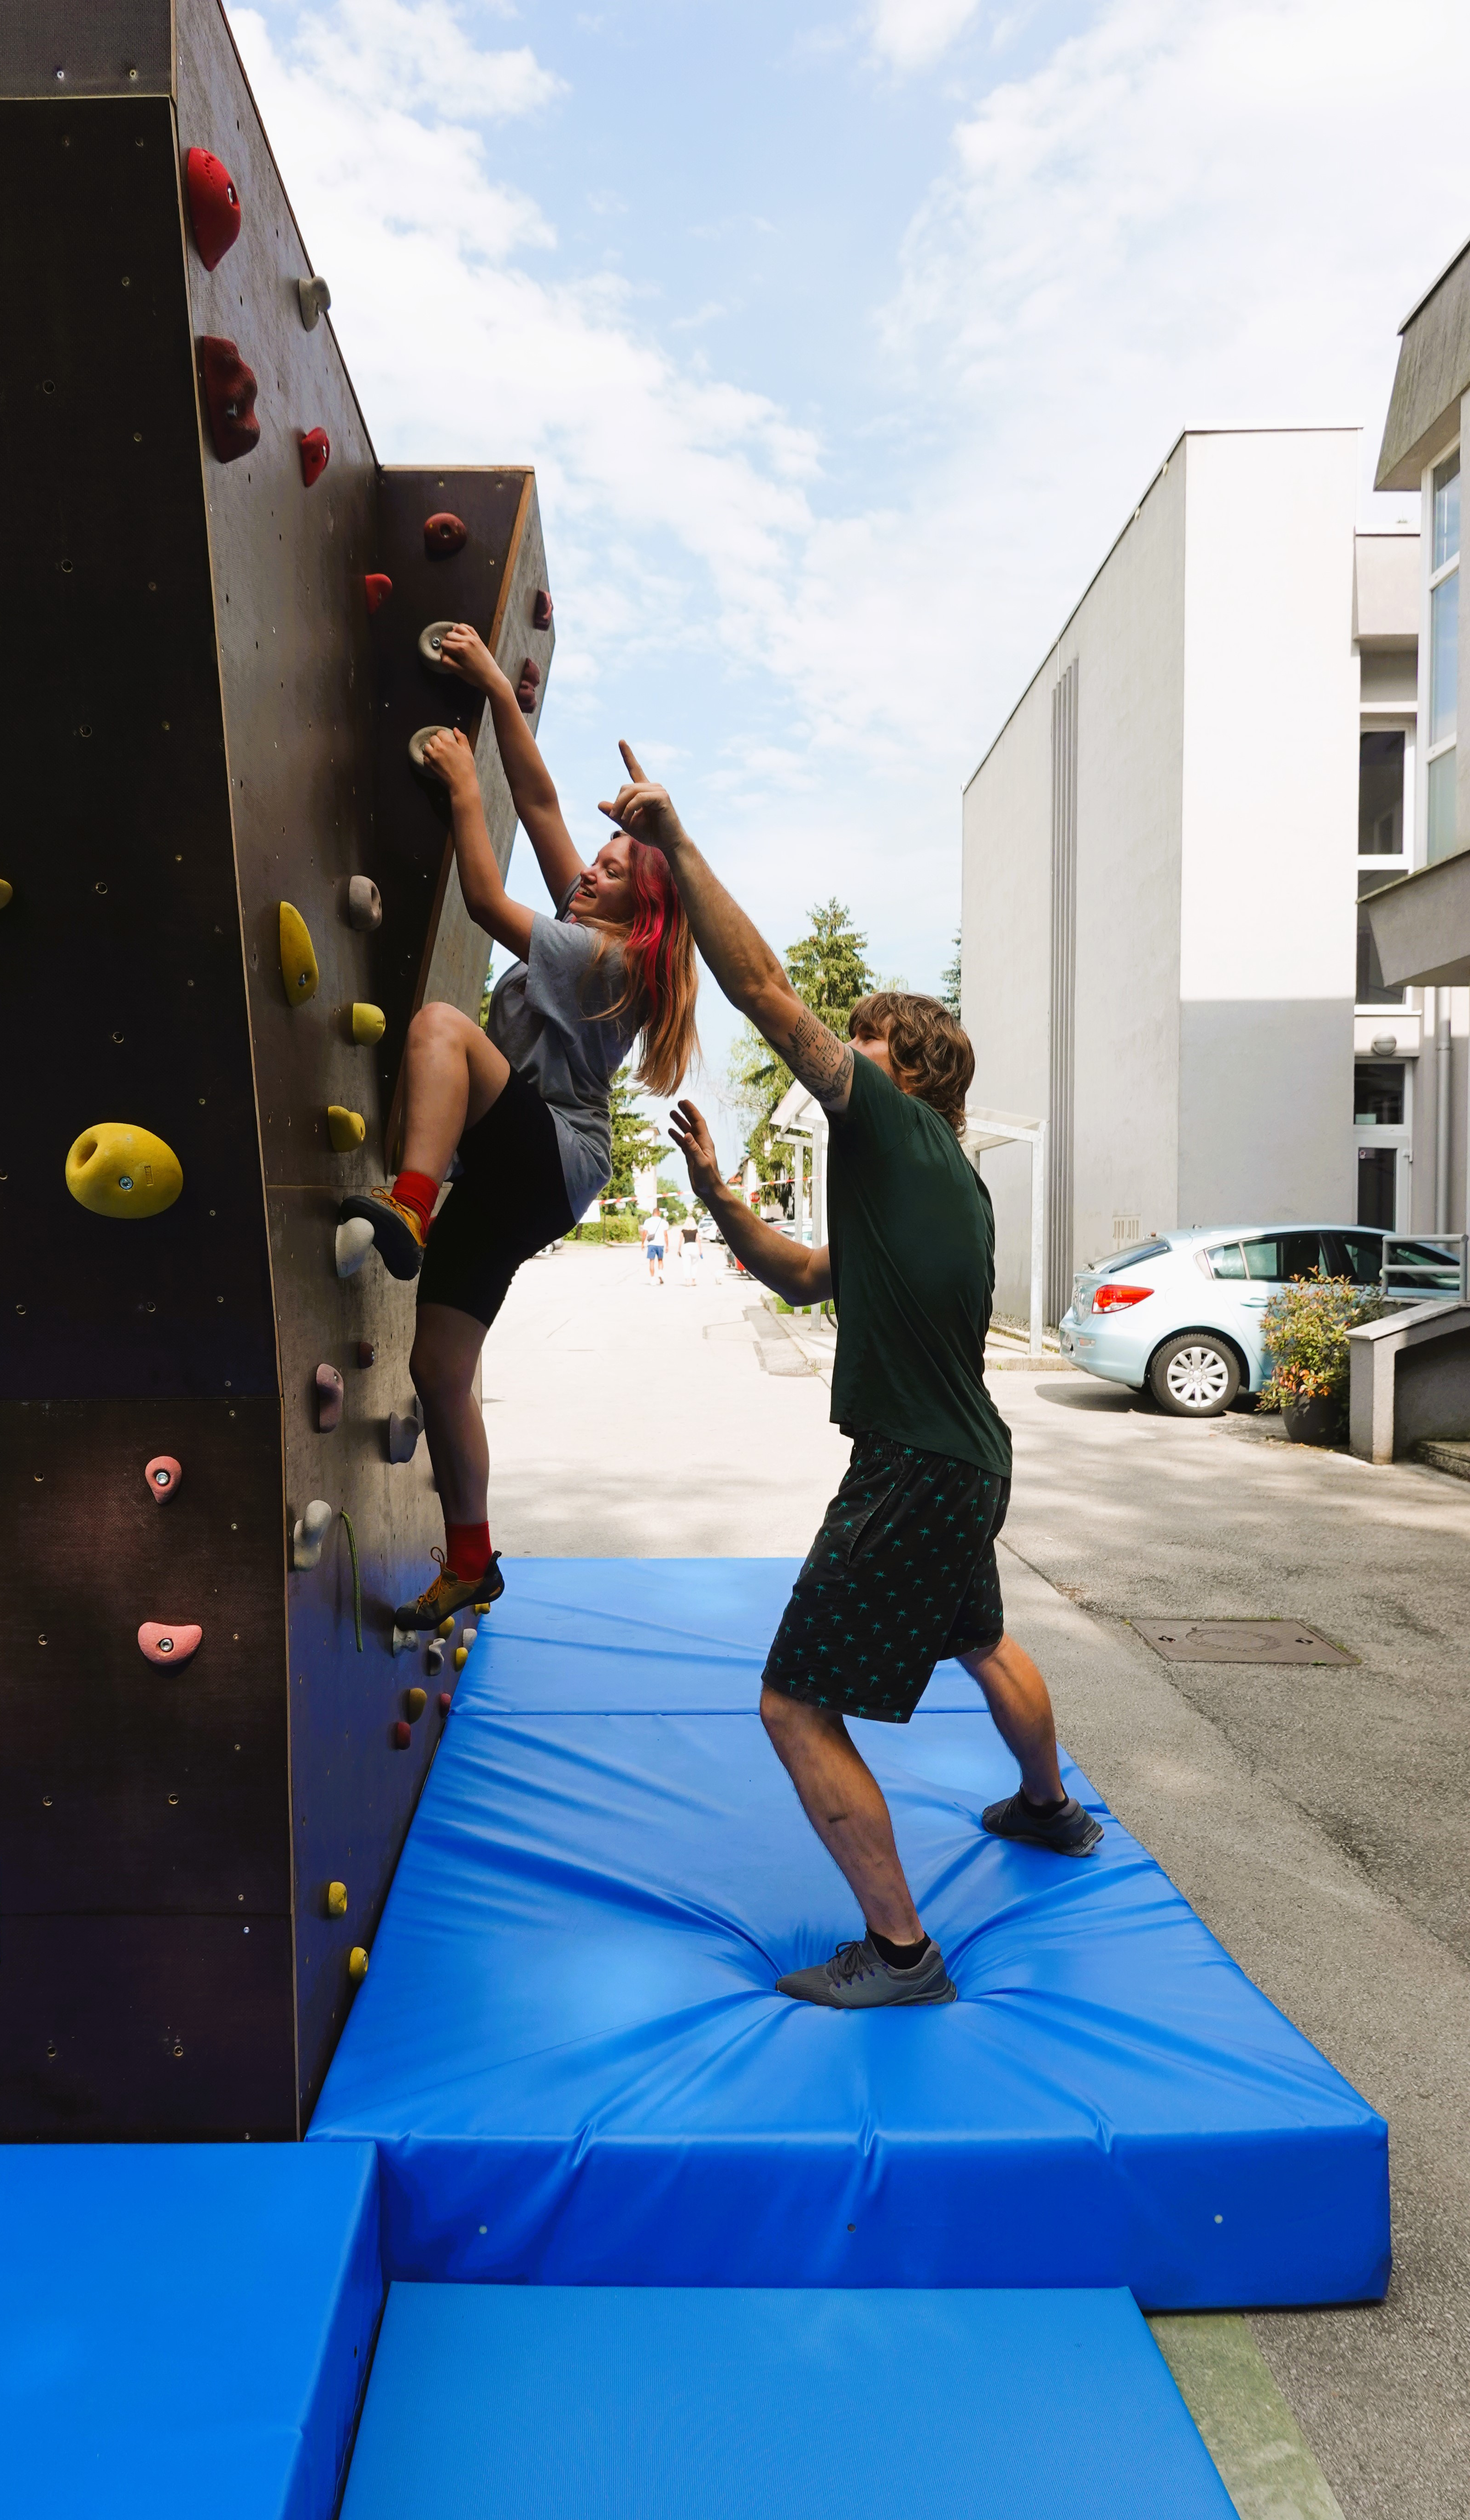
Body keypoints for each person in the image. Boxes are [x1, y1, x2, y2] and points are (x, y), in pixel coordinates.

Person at [601, 744, 1101, 2011]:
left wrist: (676, 840)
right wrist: (717, 1197)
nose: (843, 1051)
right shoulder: (947, 1183)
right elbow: (803, 1277)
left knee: (792, 1705)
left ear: (912, 1069)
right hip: (968, 1461)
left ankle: (899, 1953)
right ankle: (1047, 1812)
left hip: (915, 1469)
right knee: (980, 1638)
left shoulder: (890, 1124)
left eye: (866, 1038)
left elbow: (766, 990)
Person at [337, 641, 699, 1631]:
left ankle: (406, 1206)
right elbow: (544, 810)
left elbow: (488, 900)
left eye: (614, 871)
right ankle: (469, 1561)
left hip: (550, 1153)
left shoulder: (605, 960)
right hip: (522, 1177)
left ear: (641, 908)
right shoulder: (597, 925)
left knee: (441, 1026)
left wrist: (463, 783)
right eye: (598, 861)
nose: (589, 873)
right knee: (438, 1371)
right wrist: (501, 692)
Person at [641, 1205, 668, 1284]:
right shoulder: (663, 1222)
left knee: (652, 1262)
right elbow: (666, 1234)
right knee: (660, 1260)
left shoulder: (648, 1221)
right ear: (659, 1213)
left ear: (653, 1213)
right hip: (660, 1244)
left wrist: (643, 1243)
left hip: (651, 1244)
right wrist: (667, 1245)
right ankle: (660, 1273)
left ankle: (653, 1279)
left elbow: (645, 1234)